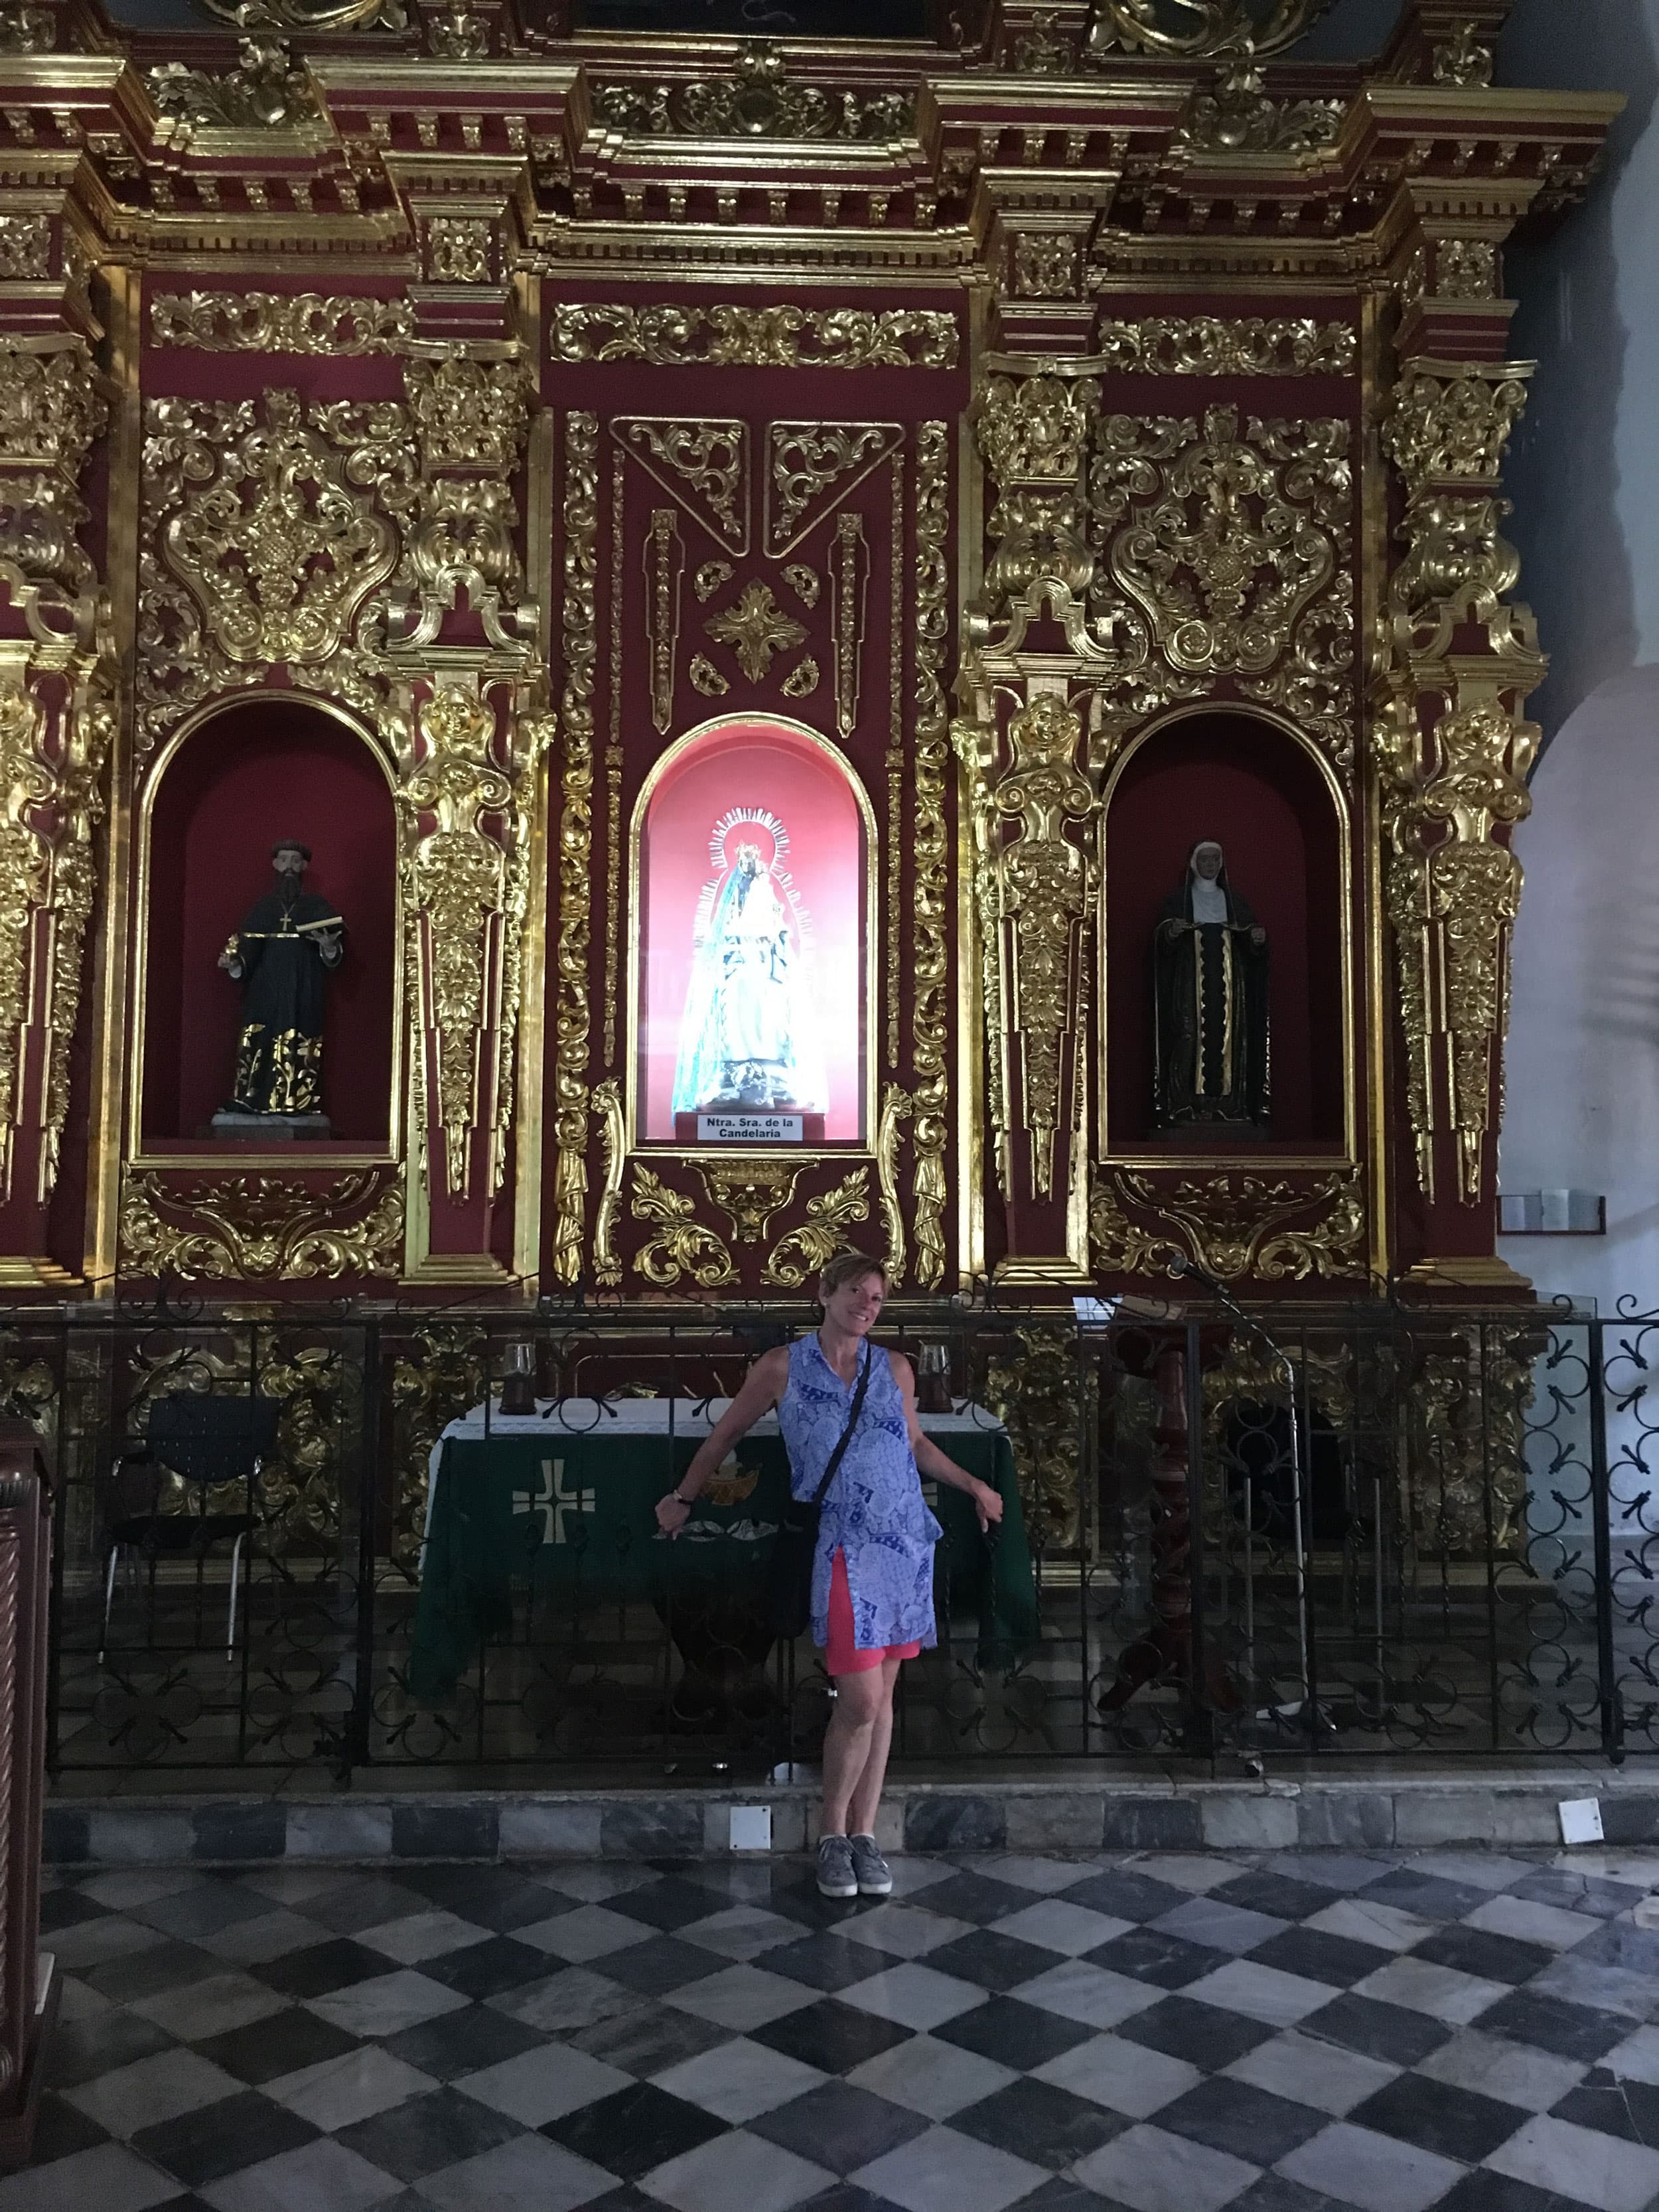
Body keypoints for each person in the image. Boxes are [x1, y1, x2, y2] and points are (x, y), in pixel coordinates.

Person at [655, 1251, 1003, 1898]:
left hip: (902, 1543)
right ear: (824, 1293)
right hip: (842, 1547)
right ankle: (830, 1834)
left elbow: (914, 1443)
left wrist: (975, 1485)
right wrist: (683, 1496)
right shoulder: (782, 1366)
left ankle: (863, 1834)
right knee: (861, 1700)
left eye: (876, 1298)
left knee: (884, 1700)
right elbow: (724, 1436)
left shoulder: (892, 1367)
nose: (866, 1306)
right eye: (855, 1292)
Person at [218, 839, 344, 1117]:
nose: (290, 866)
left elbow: (333, 952)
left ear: (304, 867)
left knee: (299, 1041)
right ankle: (249, 1098)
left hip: (303, 987)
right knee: (259, 1039)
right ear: (275, 865)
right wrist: (235, 963)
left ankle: (295, 1100)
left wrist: (329, 947)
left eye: (296, 861)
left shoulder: (317, 906)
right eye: (284, 860)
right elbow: (248, 951)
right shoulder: (263, 908)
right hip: (265, 988)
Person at [1152, 836, 1269, 1130]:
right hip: (1189, 982)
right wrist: (1172, 932)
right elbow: (1161, 942)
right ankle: (1183, 1105)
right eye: (1204, 859)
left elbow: (1250, 940)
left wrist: (1256, 938)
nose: (1210, 864)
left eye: (1215, 859)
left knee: (1230, 1038)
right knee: (1187, 1036)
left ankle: (1229, 1106)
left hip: (1229, 983)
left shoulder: (1235, 901)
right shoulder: (1179, 901)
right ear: (1195, 864)